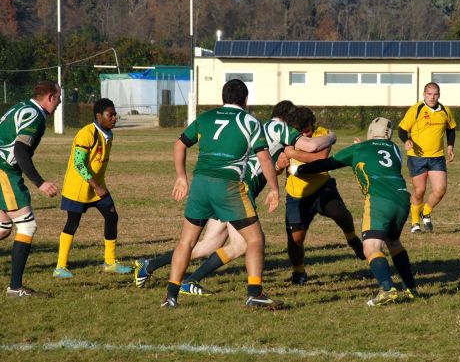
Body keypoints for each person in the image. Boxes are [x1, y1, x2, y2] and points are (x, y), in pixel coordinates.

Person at [134, 100, 336, 295]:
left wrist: (278, 167)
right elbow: (311, 148)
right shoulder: (278, 129)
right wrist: (331, 137)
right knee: (242, 244)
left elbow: (263, 164)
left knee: (208, 245)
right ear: (288, 119)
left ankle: (151, 265)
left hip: (225, 185)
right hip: (238, 191)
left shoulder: (261, 127)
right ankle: (192, 281)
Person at [161, 79, 281, 309]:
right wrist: (275, 189)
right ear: (245, 100)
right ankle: (255, 292)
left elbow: (179, 145)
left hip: (200, 185)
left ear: (222, 98)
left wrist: (181, 177)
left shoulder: (205, 118)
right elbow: (265, 158)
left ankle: (171, 296)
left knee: (186, 241)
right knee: (255, 239)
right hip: (227, 187)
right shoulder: (250, 121)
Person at [289, 117, 417, 306]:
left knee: (371, 247)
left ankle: (388, 289)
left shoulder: (359, 149)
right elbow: (376, 153)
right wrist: (365, 146)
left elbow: (328, 163)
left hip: (379, 200)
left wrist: (299, 170)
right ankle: (411, 288)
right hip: (403, 200)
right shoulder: (395, 150)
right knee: (393, 242)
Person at [281, 106, 364, 286]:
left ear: (312, 123)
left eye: (308, 130)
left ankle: (352, 239)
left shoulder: (322, 133)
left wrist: (292, 153)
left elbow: (321, 158)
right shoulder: (286, 136)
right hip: (297, 195)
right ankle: (299, 271)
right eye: (301, 133)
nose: (306, 135)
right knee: (296, 239)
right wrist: (280, 162)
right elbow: (278, 162)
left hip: (321, 187)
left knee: (342, 214)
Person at [52, 99, 131, 279]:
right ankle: (60, 267)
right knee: (72, 224)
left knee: (112, 216)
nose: (114, 118)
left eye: (114, 114)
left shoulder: (108, 134)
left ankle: (110, 263)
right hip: (78, 187)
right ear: (98, 116)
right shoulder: (86, 134)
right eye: (110, 115)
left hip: (97, 187)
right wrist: (96, 185)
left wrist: (98, 185)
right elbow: (78, 164)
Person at [0, 81, 61, 297]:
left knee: (4, 227)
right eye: (59, 97)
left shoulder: (23, 106)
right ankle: (15, 287)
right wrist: (40, 182)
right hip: (3, 170)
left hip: (4, 168)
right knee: (27, 226)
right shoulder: (34, 116)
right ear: (50, 97)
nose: (60, 102)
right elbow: (20, 151)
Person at [398, 82, 457, 234]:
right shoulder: (416, 109)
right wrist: (407, 140)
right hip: (417, 157)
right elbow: (402, 130)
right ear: (424, 94)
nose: (432, 97)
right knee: (420, 191)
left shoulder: (445, 110)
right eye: (429, 94)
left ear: (439, 95)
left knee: (440, 189)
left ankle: (426, 211)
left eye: (435, 94)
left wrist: (450, 146)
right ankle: (415, 222)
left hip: (437, 157)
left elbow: (451, 129)